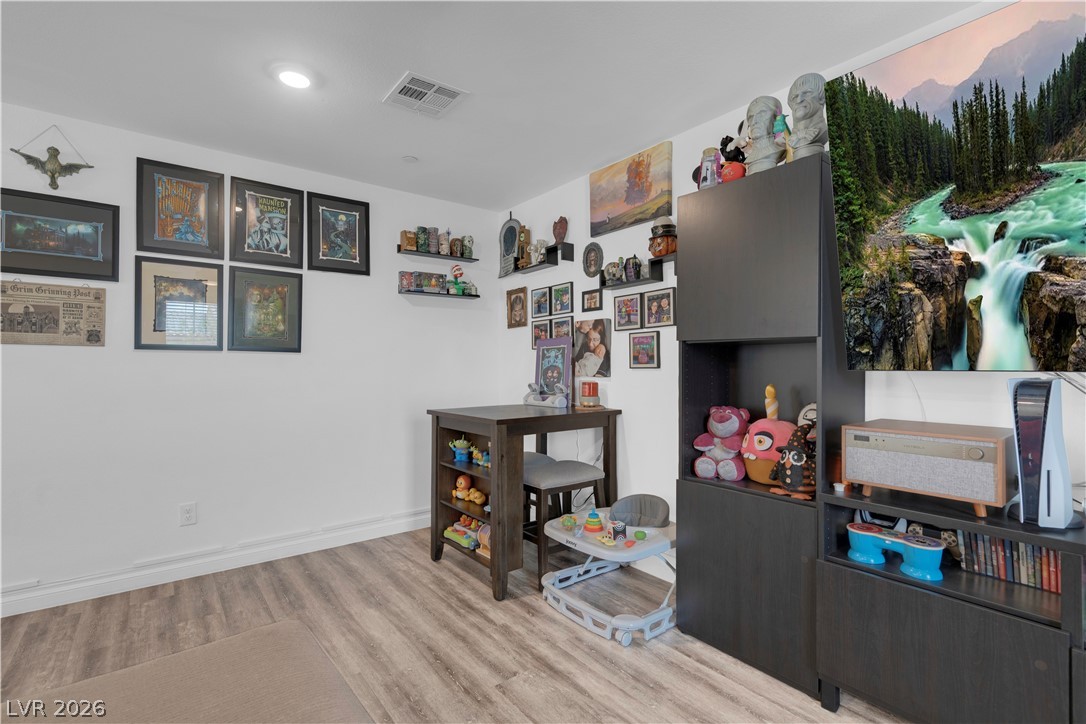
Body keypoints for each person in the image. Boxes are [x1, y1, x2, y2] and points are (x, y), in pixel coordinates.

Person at [788, 73, 828, 160]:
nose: (799, 100)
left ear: (822, 98)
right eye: (795, 97)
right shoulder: (792, 138)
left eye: (807, 93)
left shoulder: (824, 131)